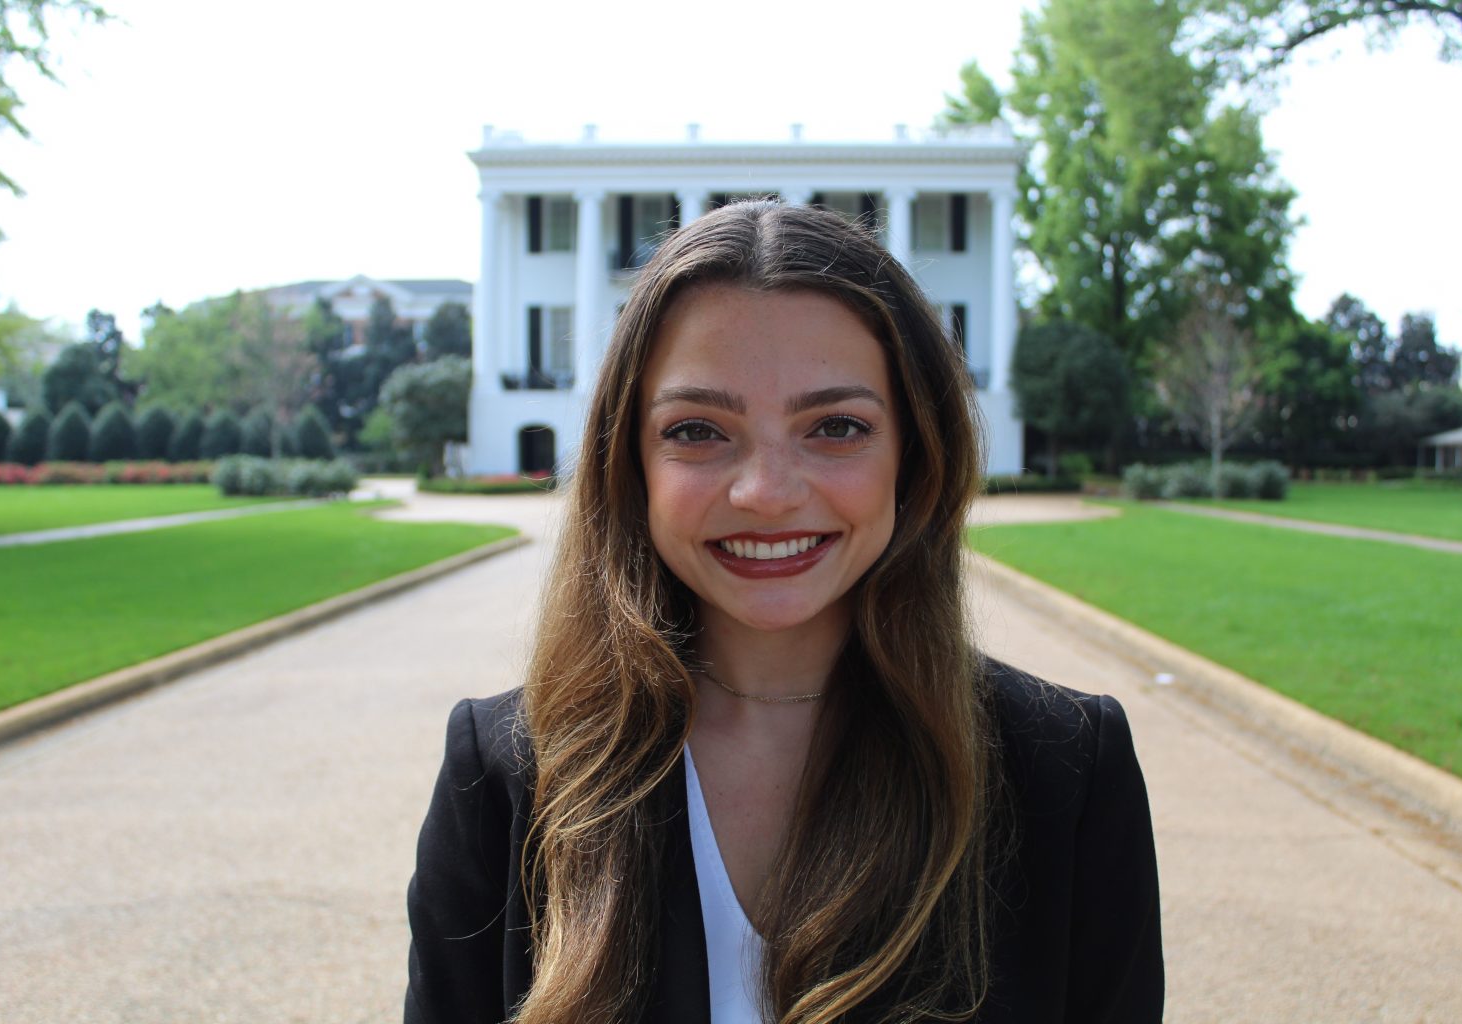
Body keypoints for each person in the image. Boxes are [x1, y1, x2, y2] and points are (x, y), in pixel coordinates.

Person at [404, 201, 1163, 1024]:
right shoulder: (506, 775)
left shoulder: (1066, 772)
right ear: (631, 463)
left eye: (836, 426)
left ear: (914, 455)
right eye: (698, 430)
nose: (765, 493)